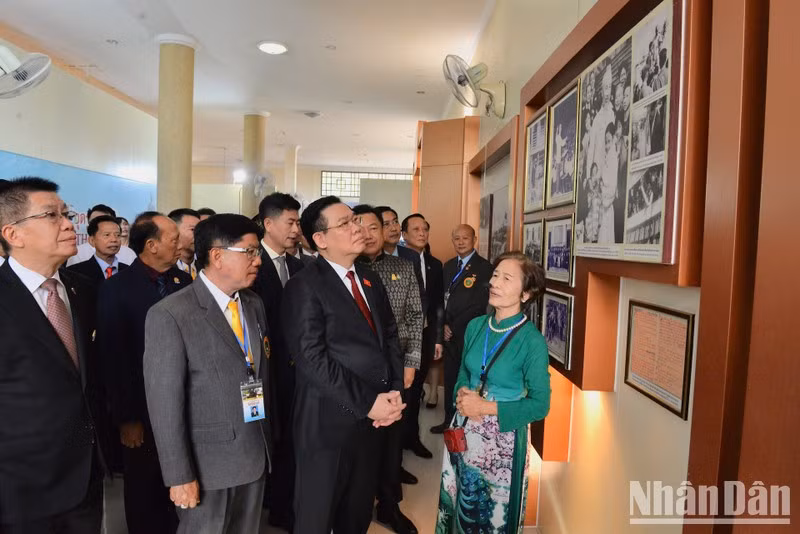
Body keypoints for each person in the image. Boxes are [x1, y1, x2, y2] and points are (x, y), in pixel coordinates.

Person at [143, 214, 273, 534]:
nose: (258, 260)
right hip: (207, 465)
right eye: (251, 252)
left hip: (254, 452)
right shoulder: (171, 314)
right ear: (217, 255)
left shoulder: (254, 304)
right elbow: (164, 406)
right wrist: (178, 475)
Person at [283, 196, 405, 534]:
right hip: (327, 424)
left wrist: (394, 392)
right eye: (346, 223)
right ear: (320, 240)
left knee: (357, 512)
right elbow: (312, 359)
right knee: (317, 516)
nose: (358, 228)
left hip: (371, 422)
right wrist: (369, 402)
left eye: (356, 220)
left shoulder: (368, 279)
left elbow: (390, 338)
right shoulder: (304, 286)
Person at [0, 177, 103, 533]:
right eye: (50, 215)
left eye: (66, 214)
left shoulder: (82, 291)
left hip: (86, 480)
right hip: (20, 492)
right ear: (13, 234)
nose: (67, 224)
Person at [436, 251, 551, 533]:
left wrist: (485, 408)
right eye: (495, 275)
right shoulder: (477, 326)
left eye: (507, 278)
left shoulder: (532, 341)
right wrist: (462, 394)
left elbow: (540, 405)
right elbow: (465, 370)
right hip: (464, 428)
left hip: (502, 443)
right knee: (457, 507)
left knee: (489, 519)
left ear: (526, 293)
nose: (495, 283)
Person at [96, 212, 190, 534]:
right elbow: (114, 357)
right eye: (173, 238)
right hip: (142, 410)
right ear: (151, 245)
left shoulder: (185, 282)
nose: (180, 242)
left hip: (185, 406)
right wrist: (127, 417)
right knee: (144, 491)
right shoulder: (117, 288)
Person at [354, 204, 423, 534]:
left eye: (375, 227)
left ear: (385, 232)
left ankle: (388, 504)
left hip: (395, 370)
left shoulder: (403, 267)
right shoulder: (345, 270)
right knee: (358, 442)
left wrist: (410, 364)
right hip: (354, 376)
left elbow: (414, 316)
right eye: (360, 227)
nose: (368, 235)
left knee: (391, 441)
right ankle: (355, 504)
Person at [251, 192, 304, 531]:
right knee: (258, 436)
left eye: (298, 222)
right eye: (291, 222)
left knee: (289, 440)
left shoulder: (299, 266)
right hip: (258, 374)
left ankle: (282, 505)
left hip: (294, 374)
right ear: (268, 224)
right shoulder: (252, 265)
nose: (297, 229)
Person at [431, 224, 492, 434]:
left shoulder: (484, 267)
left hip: (470, 334)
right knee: (450, 378)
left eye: (465, 238)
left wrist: (455, 327)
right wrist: (444, 326)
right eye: (456, 238)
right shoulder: (448, 266)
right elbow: (441, 300)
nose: (460, 242)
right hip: (449, 336)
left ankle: (463, 422)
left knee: (466, 378)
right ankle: (448, 420)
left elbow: (479, 305)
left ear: (474, 239)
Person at [398, 213, 443, 457]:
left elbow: (437, 305)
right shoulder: (397, 260)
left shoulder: (434, 265)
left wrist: (436, 338)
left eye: (425, 228)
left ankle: (412, 438)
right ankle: (395, 444)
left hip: (424, 336)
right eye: (415, 229)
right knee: (401, 389)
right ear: (404, 234)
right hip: (401, 338)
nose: (421, 233)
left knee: (416, 390)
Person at [67, 204, 136, 266]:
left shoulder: (129, 254)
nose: (101, 225)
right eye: (95, 221)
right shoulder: (77, 254)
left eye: (105, 221)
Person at [68, 215, 128, 286]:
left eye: (118, 235)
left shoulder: (129, 271)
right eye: (107, 235)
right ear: (92, 241)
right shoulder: (74, 272)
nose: (114, 239)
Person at [169, 209, 200, 280]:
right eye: (193, 230)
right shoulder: (163, 269)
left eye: (200, 230)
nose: (199, 234)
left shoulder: (206, 268)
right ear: (174, 232)